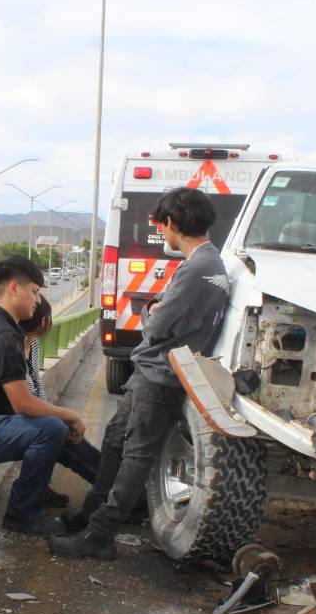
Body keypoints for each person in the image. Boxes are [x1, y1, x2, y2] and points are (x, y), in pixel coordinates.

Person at [49, 187, 230, 559]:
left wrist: (150, 312)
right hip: (155, 369)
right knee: (116, 439)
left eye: (162, 226)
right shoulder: (210, 263)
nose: (162, 234)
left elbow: (158, 327)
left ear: (173, 224)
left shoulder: (197, 268)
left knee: (135, 454)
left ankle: (100, 535)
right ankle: (94, 512)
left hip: (161, 374)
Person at [0, 255, 87, 536]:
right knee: (50, 428)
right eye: (34, 291)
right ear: (14, 288)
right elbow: (22, 404)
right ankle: (22, 514)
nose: (37, 301)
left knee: (58, 429)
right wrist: (70, 413)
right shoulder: (5, 338)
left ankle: (109, 487)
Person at [18, 297, 101, 507]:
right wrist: (67, 416)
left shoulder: (32, 344)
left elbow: (36, 390)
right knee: (58, 432)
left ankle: (115, 488)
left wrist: (57, 415)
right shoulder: (10, 346)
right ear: (45, 322)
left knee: (60, 429)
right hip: (5, 420)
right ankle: (115, 491)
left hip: (21, 416)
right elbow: (25, 401)